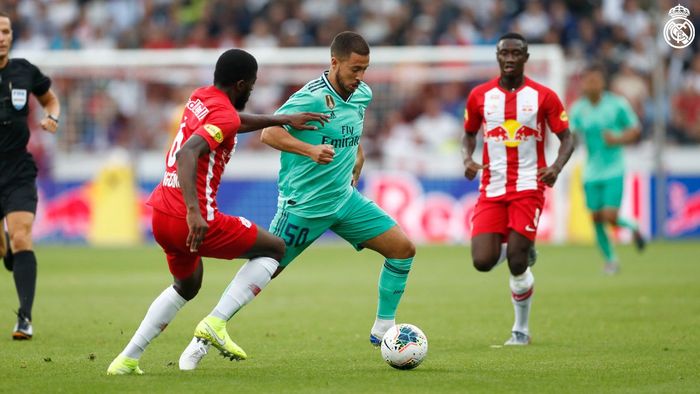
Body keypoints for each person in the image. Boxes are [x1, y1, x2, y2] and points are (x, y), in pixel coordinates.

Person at [178, 31, 416, 370]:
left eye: (365, 69)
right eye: (354, 69)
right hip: (303, 208)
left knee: (403, 249)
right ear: (334, 63)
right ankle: (205, 333)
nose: (360, 77)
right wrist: (309, 149)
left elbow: (351, 128)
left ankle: (383, 328)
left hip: (345, 201)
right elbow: (269, 133)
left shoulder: (362, 94)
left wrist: (358, 154)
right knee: (266, 270)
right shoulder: (310, 97)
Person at [107, 48, 328, 375]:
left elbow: (232, 123)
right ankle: (216, 323)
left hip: (161, 215)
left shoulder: (201, 97)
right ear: (241, 84)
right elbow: (187, 154)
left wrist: (282, 119)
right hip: (193, 220)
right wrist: (195, 213)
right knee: (275, 249)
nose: (252, 90)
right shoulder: (224, 114)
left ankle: (126, 359)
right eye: (251, 85)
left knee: (187, 286)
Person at [462, 32, 574, 345]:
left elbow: (567, 138)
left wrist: (555, 167)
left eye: (516, 54)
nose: (509, 59)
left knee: (516, 261)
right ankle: (520, 246)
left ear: (526, 58)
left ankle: (521, 330)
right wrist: (466, 158)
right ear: (497, 57)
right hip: (492, 186)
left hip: (528, 185)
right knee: (482, 261)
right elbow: (468, 134)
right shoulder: (480, 96)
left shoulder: (544, 96)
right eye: (504, 54)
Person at [0, 11, 61, 340]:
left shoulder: (24, 71)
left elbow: (51, 99)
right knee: (4, 249)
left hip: (18, 169)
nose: (2, 37)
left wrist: (53, 117)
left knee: (23, 236)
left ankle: (24, 318)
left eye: (6, 31)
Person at [569, 63, 645, 274]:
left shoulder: (617, 105)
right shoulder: (578, 108)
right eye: (587, 80)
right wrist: (570, 137)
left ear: (602, 82)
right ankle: (611, 260)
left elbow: (635, 129)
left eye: (595, 80)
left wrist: (618, 138)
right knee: (595, 218)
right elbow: (572, 134)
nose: (591, 84)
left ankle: (633, 227)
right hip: (591, 171)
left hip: (614, 169)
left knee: (610, 216)